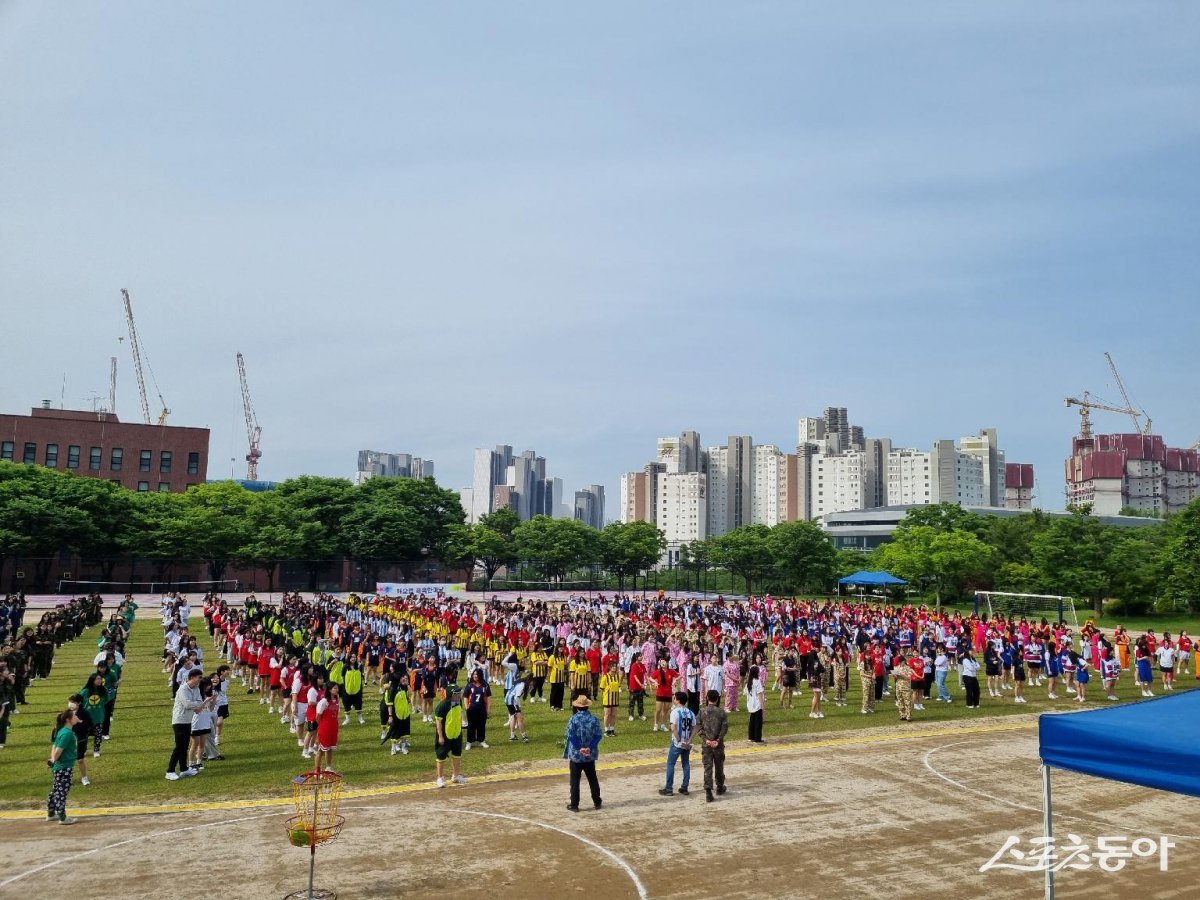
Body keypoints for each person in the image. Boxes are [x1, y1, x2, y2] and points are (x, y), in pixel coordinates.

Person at [563, 694, 602, 812]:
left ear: (577, 707)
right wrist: (589, 748)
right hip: (590, 756)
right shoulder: (594, 719)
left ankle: (574, 805)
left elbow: (570, 736)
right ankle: (597, 802)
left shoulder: (573, 719)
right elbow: (598, 735)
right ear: (587, 707)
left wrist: (580, 748)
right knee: (592, 779)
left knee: (574, 781)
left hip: (576, 756)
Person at [167, 668, 204, 781]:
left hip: (188, 720)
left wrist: (198, 705)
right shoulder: (182, 689)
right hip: (179, 720)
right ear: (192, 677)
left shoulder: (196, 688)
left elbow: (199, 701)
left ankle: (184, 769)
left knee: (185, 745)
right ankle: (170, 771)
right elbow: (187, 704)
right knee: (179, 746)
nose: (200, 680)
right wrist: (198, 705)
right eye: (199, 677)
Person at [659, 691, 696, 797]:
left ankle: (669, 788)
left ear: (678, 700)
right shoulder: (690, 712)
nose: (673, 700)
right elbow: (694, 728)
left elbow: (673, 728)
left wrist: (679, 740)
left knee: (671, 764)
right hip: (687, 743)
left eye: (674, 698)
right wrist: (689, 741)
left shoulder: (675, 712)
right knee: (686, 764)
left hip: (677, 743)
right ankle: (684, 787)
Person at [47, 707, 81, 824]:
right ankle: (62, 817)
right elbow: (58, 749)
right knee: (62, 791)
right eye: (75, 716)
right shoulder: (66, 733)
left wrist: (53, 760)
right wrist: (53, 759)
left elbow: (54, 746)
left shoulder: (61, 731)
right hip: (64, 767)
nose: (77, 717)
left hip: (60, 767)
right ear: (68, 719)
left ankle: (51, 813)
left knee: (56, 790)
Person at [696, 689, 728, 802]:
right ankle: (720, 787)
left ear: (707, 698)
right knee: (719, 766)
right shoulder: (721, 712)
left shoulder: (701, 711)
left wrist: (706, 740)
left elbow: (698, 727)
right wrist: (718, 740)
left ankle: (708, 790)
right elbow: (724, 728)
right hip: (718, 745)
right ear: (717, 699)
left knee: (707, 767)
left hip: (706, 744)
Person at [433, 684, 467, 788]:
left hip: (456, 734)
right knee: (441, 756)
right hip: (445, 735)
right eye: (457, 693)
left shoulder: (458, 702)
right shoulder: (443, 705)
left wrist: (463, 723)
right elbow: (438, 721)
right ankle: (440, 778)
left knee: (457, 754)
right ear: (451, 694)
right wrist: (440, 736)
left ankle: (456, 775)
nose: (459, 695)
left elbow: (458, 714)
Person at [315, 683, 341, 774]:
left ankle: (328, 767)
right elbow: (318, 716)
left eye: (337, 688)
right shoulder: (324, 702)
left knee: (329, 749)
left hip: (333, 728)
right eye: (335, 688)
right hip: (325, 729)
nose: (337, 690)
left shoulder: (337, 700)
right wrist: (323, 725)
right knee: (321, 750)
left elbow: (337, 714)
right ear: (330, 690)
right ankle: (317, 771)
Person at [463, 667, 491, 750]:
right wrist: (467, 707)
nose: (475, 676)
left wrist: (488, 708)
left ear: (480, 675)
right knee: (471, 725)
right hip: (472, 709)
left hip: (482, 708)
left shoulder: (485, 685)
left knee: (481, 725)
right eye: (474, 674)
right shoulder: (469, 685)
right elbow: (465, 697)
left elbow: (488, 697)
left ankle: (481, 740)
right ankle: (469, 742)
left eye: (476, 674)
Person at [599, 659, 621, 736]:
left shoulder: (617, 677)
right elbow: (601, 689)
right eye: (613, 666)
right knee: (607, 714)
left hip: (615, 699)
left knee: (613, 714)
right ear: (609, 667)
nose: (614, 668)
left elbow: (618, 686)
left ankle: (612, 729)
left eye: (615, 666)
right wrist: (605, 697)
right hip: (607, 699)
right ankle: (606, 730)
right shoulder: (605, 677)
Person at [744, 665, 765, 743]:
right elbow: (760, 695)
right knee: (758, 723)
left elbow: (745, 693)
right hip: (757, 705)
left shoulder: (748, 682)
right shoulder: (757, 681)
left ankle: (751, 737)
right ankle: (757, 738)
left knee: (752, 721)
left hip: (750, 704)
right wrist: (762, 707)